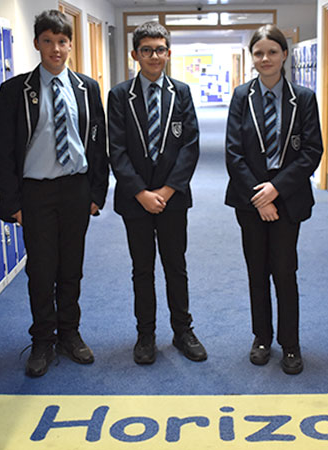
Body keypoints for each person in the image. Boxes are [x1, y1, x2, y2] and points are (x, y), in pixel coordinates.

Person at [0, 10, 109, 378]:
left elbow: (98, 144)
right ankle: (43, 339)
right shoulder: (15, 91)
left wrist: (97, 192)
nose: (55, 49)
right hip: (36, 193)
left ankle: (70, 333)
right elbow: (3, 152)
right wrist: (12, 203)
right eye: (48, 41)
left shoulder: (87, 88)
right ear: (37, 44)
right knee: (41, 270)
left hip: (76, 189)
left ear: (71, 45)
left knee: (71, 267)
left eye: (62, 41)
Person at [106, 21, 206, 365]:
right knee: (142, 269)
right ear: (135, 54)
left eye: (160, 49)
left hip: (172, 199)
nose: (153, 56)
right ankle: (145, 334)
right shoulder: (120, 95)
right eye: (146, 50)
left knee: (176, 266)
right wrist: (141, 193)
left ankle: (183, 331)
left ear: (168, 53)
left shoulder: (181, 92)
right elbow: (116, 149)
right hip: (135, 200)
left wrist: (165, 190)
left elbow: (190, 146)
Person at [224, 24, 322, 375]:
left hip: (287, 198)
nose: (265, 59)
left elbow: (312, 151)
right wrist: (259, 197)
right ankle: (262, 338)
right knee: (257, 271)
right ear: (252, 57)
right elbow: (233, 152)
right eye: (258, 53)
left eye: (272, 52)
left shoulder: (303, 98)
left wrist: (275, 190)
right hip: (250, 200)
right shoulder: (241, 97)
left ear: (284, 55)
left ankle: (290, 344)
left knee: (284, 270)